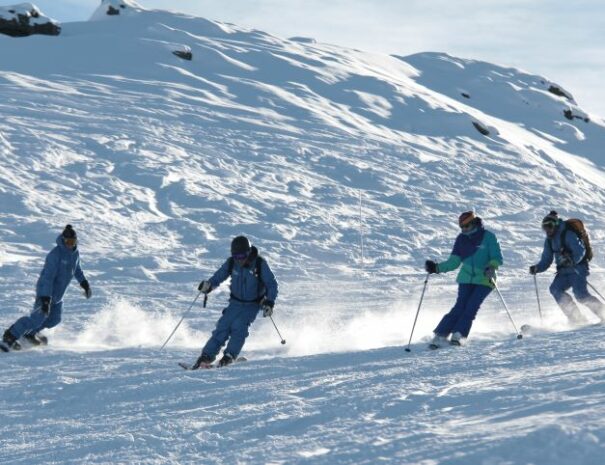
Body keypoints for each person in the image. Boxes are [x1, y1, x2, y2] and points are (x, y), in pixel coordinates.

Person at [1, 225, 92, 352]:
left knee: (54, 319)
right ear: (63, 240)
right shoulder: (55, 255)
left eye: (73, 242)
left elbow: (77, 269)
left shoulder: (75, 254)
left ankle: (29, 335)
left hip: (58, 296)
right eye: (68, 242)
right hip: (46, 292)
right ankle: (9, 336)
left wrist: (84, 283)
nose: (70, 245)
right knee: (37, 318)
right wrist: (45, 298)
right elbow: (47, 278)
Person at [193, 236, 278, 368]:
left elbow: (271, 284)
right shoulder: (232, 263)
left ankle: (229, 356)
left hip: (252, 304)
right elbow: (219, 275)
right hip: (235, 303)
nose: (239, 260)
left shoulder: (260, 264)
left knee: (239, 326)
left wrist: (269, 302)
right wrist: (209, 285)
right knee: (223, 327)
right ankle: (207, 356)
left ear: (249, 252)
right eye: (236, 256)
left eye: (242, 256)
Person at [425, 211, 503, 348]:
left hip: (485, 279)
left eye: (466, 226)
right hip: (466, 278)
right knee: (459, 306)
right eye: (461, 227)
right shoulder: (461, 239)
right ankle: (441, 334)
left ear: (473, 223)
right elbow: (454, 262)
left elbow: (497, 257)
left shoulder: (489, 237)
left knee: (471, 307)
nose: (464, 230)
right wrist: (436, 268)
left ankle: (459, 334)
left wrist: (492, 266)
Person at [530, 211, 605, 324]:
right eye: (544, 228)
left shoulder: (568, 234)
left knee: (580, 294)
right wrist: (537, 268)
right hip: (563, 272)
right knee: (555, 289)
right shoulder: (549, 241)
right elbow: (546, 259)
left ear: (555, 225)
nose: (547, 230)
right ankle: (576, 318)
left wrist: (572, 260)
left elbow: (580, 251)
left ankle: (602, 312)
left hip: (578, 269)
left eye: (549, 226)